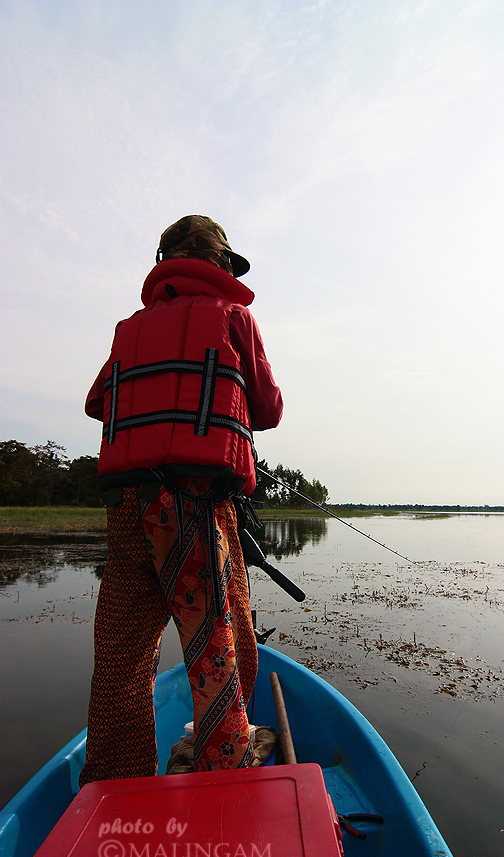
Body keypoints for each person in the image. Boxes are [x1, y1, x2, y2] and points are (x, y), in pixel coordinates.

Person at [79, 215, 283, 785]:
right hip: (195, 505)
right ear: (220, 264)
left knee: (122, 656)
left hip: (128, 507)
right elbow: (268, 409)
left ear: (166, 262)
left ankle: (114, 783)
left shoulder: (130, 328)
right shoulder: (235, 317)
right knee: (221, 641)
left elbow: (98, 401)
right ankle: (225, 767)